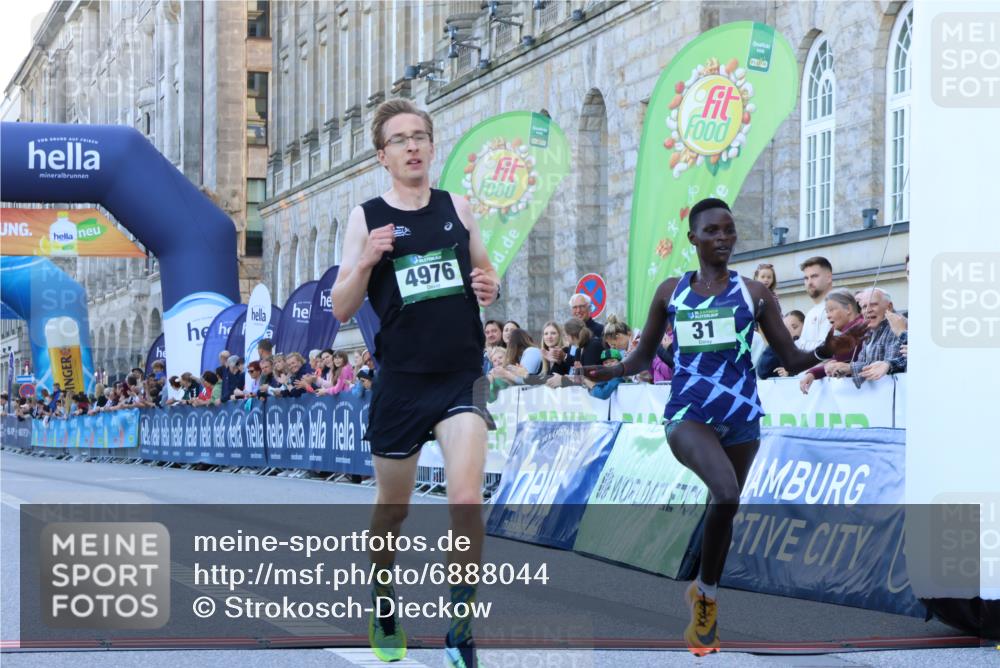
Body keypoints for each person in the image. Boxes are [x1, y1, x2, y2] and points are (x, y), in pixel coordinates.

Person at [582, 198, 854, 656]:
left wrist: (827, 348)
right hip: (688, 414)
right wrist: (613, 371)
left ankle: (705, 595)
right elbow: (644, 356)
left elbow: (790, 359)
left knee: (724, 506)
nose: (723, 238)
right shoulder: (672, 292)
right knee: (726, 492)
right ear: (694, 239)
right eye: (713, 231)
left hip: (742, 416)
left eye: (729, 230)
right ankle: (705, 593)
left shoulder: (756, 294)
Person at [330, 98, 499, 667]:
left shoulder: (457, 206)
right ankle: (382, 599)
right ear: (383, 155)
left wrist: (488, 286)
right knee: (393, 511)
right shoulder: (367, 217)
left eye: (420, 136)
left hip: (459, 376)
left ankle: (460, 628)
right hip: (401, 382)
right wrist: (365, 264)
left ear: (431, 146)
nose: (412, 146)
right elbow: (340, 309)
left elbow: (485, 269)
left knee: (466, 499)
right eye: (400, 139)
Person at [824, 288, 906, 387]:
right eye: (864, 307)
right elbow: (862, 363)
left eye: (873, 304)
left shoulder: (897, 326)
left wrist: (850, 368)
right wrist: (843, 370)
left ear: (889, 307)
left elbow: (890, 364)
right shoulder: (869, 330)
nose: (868, 310)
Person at [799, 290, 867, 394]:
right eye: (827, 312)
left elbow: (837, 363)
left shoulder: (857, 328)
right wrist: (813, 373)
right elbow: (834, 363)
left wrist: (818, 370)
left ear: (848, 309)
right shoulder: (851, 329)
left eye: (831, 310)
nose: (828, 316)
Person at [797, 256, 835, 351]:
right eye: (806, 278)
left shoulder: (836, 307)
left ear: (829, 278)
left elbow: (824, 348)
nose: (809, 282)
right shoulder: (811, 312)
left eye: (814, 276)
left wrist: (798, 344)